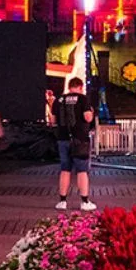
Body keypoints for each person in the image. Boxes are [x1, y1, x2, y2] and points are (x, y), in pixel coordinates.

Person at [53, 76, 96, 212]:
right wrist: (92, 113)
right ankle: (84, 201)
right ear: (80, 87)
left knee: (65, 169)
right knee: (82, 170)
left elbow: (53, 119)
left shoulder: (59, 100)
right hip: (79, 139)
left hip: (63, 138)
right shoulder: (83, 99)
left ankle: (62, 201)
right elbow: (87, 117)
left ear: (69, 87)